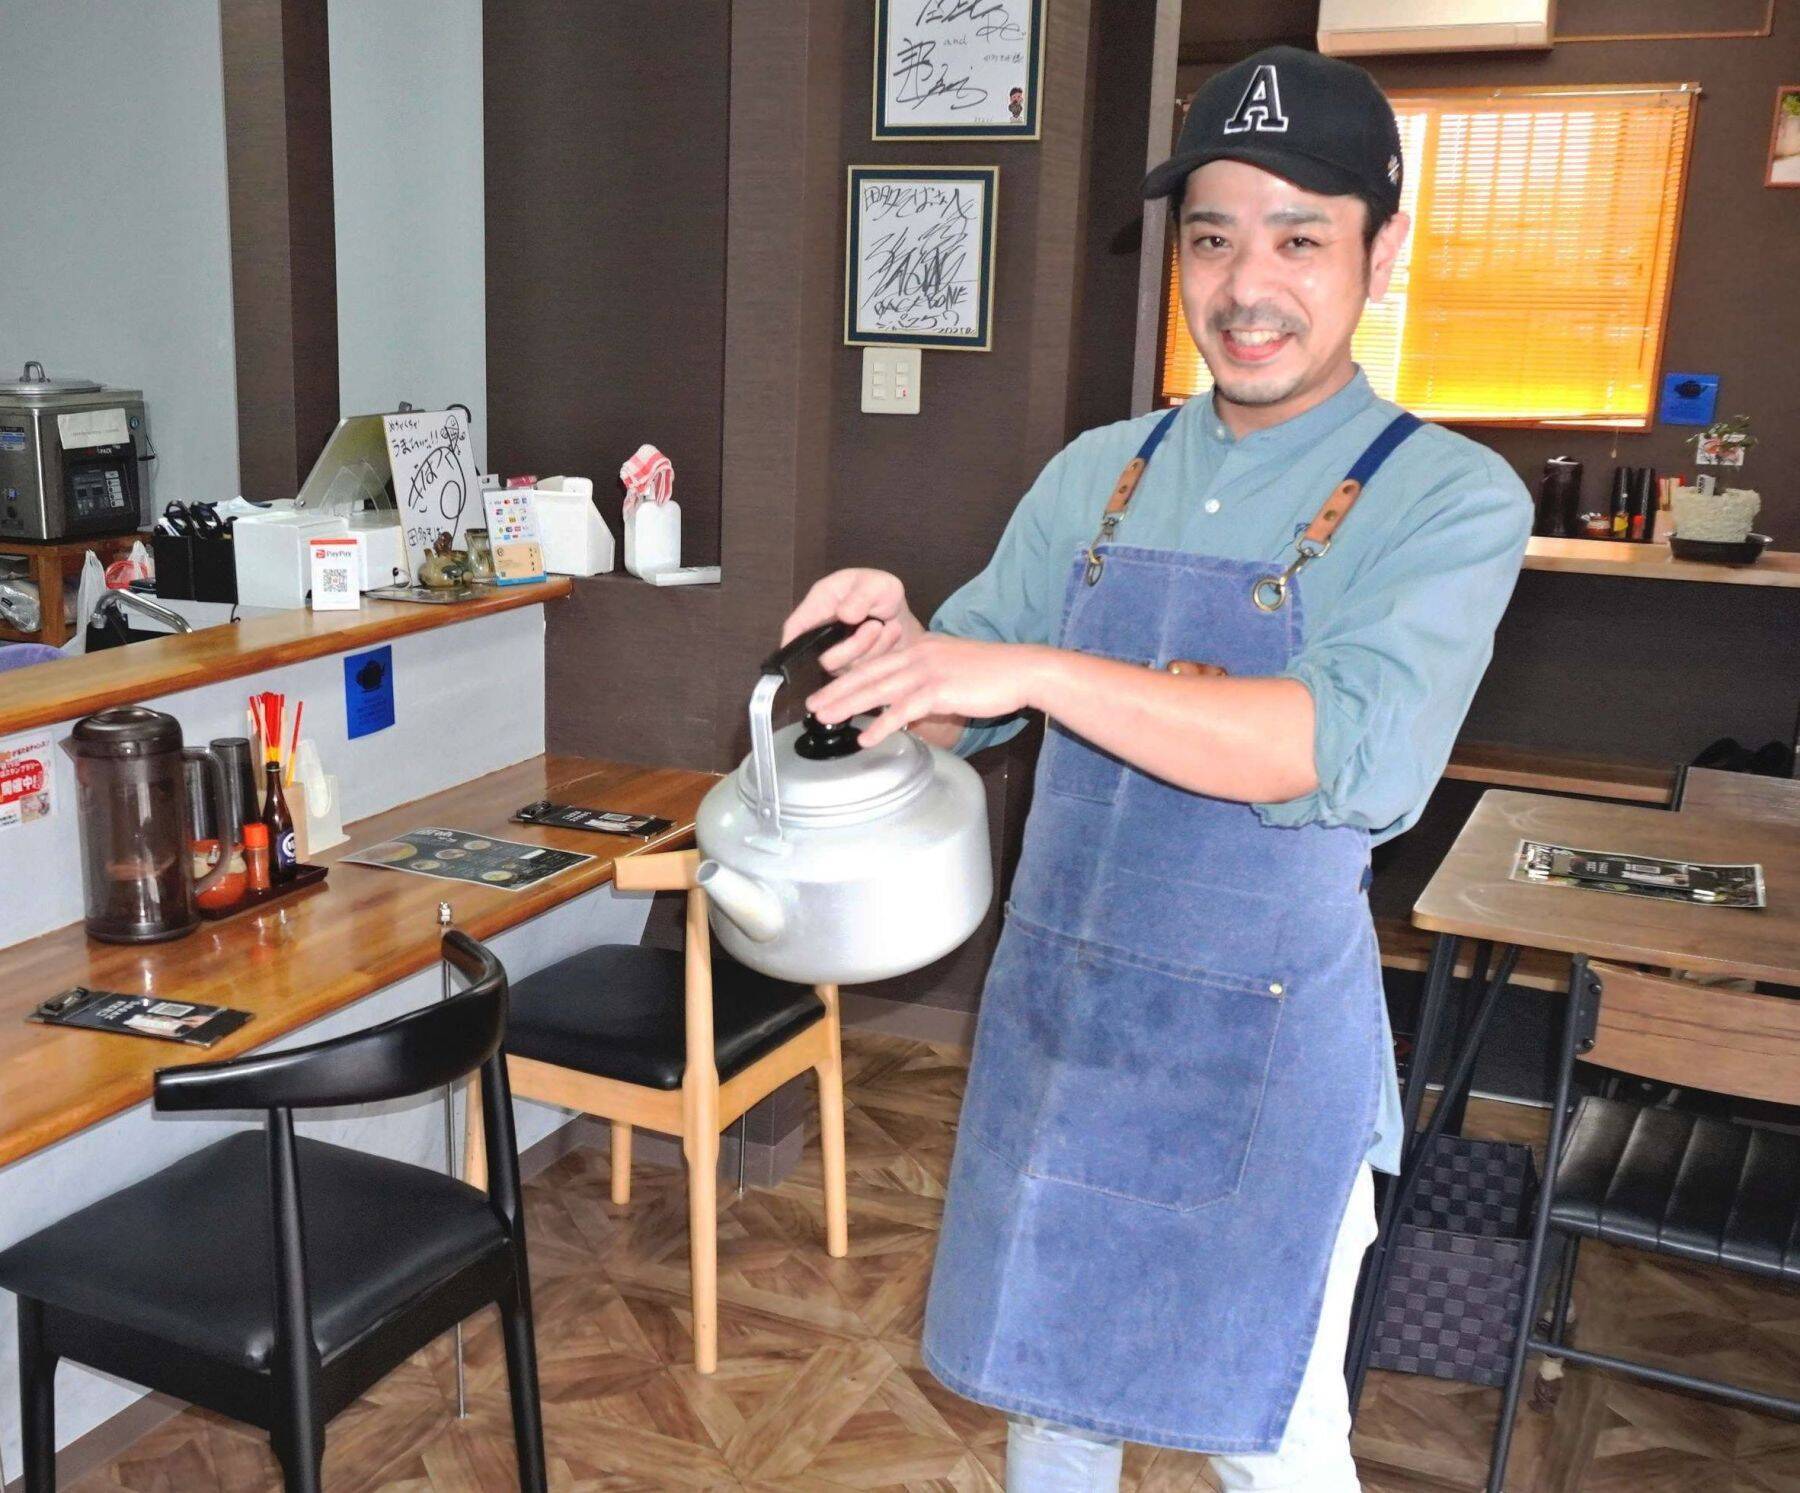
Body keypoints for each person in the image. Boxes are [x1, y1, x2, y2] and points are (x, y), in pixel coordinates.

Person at [782, 44, 1531, 1493]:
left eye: (1300, 236)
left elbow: (1345, 753)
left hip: (1263, 1068)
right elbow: (973, 707)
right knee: (1051, 1417)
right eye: (1213, 236)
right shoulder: (1097, 475)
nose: (1248, 284)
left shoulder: (1447, 495)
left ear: (1383, 252)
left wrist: (1034, 669)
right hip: (1065, 1037)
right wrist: (912, 659)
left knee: (1275, 1441)